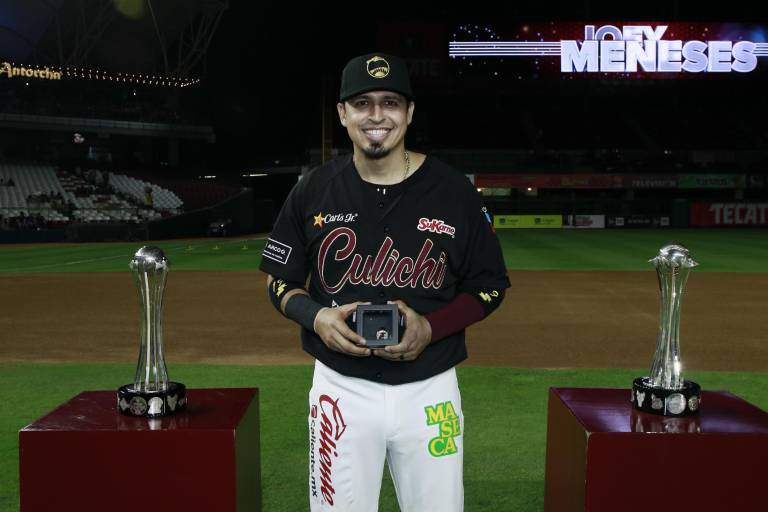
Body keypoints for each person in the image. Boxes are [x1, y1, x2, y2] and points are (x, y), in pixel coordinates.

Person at [259, 52, 510, 512]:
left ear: (409, 112)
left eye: (391, 102)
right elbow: (279, 282)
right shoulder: (313, 189)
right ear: (343, 113)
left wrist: (432, 328)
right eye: (362, 103)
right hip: (340, 387)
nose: (376, 116)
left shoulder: (454, 192)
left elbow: (490, 286)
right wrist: (316, 317)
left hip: (431, 387)